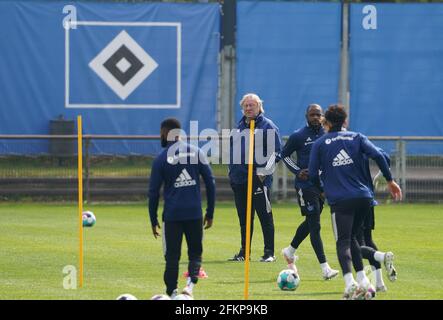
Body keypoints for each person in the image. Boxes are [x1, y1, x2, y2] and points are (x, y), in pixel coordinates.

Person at [308, 105, 402, 300]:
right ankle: (364, 282)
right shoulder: (357, 137)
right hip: (364, 198)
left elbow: (312, 174)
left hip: (341, 200)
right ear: (345, 121)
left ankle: (349, 283)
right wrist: (390, 180)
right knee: (353, 240)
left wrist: (322, 190)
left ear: (327, 122)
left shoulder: (320, 143)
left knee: (342, 241)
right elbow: (378, 155)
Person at [148, 118, 215, 298]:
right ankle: (190, 287)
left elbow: (153, 193)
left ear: (164, 133)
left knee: (172, 257)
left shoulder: (161, 159)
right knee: (195, 254)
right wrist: (210, 212)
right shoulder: (197, 152)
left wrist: (153, 219)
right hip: (194, 213)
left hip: (172, 216)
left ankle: (171, 293)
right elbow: (210, 183)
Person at [279, 104, 339, 280]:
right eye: (312, 114)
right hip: (305, 186)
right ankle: (325, 268)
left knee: (312, 220)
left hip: (322, 185)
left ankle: (289, 251)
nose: (315, 117)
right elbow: (284, 154)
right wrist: (298, 171)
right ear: (306, 116)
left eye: (318, 115)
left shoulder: (327, 134)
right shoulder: (298, 136)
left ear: (322, 117)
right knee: (315, 225)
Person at [228, 93, 282, 262]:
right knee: (244, 219)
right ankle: (244, 253)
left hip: (259, 180)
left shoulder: (268, 126)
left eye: (252, 105)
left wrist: (263, 173)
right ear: (242, 108)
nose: (249, 108)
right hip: (239, 180)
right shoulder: (239, 127)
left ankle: (269, 253)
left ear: (259, 107)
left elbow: (277, 153)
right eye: (246, 105)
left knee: (265, 217)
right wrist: (231, 171)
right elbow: (232, 151)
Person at [357, 148, 397, 292]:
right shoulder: (358, 141)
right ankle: (379, 284)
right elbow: (384, 155)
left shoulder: (331, 145)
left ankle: (382, 257)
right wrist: (382, 174)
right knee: (368, 240)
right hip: (367, 198)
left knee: (352, 245)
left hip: (350, 200)